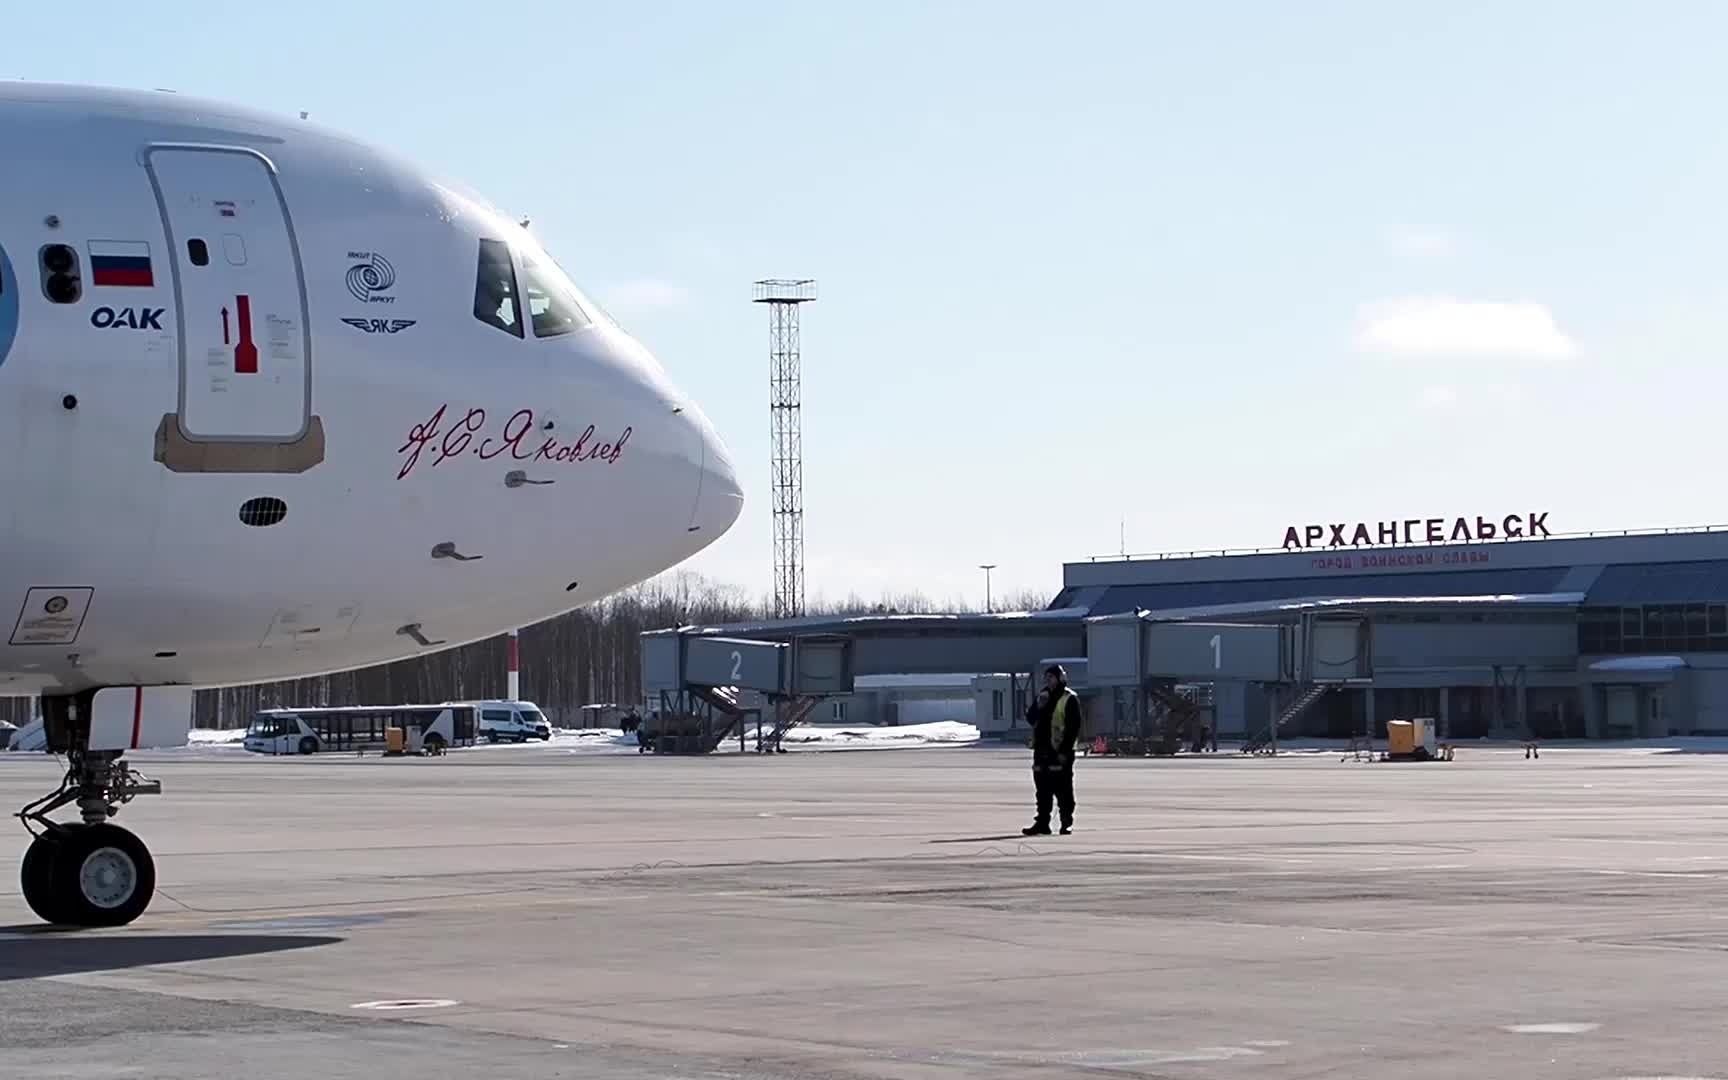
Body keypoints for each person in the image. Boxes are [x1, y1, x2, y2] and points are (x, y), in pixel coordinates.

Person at [1023, 664, 1082, 835]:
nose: (1048, 681)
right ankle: (1042, 823)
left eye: (1051, 677)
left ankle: (1066, 822)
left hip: (1060, 751)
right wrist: (1038, 705)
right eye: (1046, 678)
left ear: (1060, 678)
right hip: (1042, 749)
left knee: (1063, 788)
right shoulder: (1043, 696)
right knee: (1042, 789)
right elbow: (1031, 719)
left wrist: (1064, 751)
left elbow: (1073, 727)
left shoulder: (1069, 698)